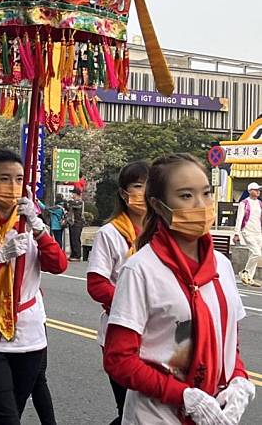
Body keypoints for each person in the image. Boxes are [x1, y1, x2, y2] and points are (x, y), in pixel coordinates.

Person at [104, 153, 256, 424]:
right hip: (156, 416)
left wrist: (238, 382)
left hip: (212, 415)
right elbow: (119, 360)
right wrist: (185, 396)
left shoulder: (221, 266)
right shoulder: (140, 269)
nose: (202, 205)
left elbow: (228, 345)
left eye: (207, 193)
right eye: (186, 196)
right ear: (158, 205)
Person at [0, 150, 68, 425]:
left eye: (19, 179)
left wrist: (39, 228)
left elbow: (59, 265)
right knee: (6, 417)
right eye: (4, 179)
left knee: (7, 413)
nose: (12, 186)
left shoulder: (31, 226)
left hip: (28, 332)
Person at [86, 161, 149, 425]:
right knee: (129, 409)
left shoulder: (162, 231)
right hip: (120, 332)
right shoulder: (110, 234)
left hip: (158, 335)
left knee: (150, 412)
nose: (144, 193)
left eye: (150, 187)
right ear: (124, 193)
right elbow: (97, 284)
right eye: (137, 186)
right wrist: (131, 306)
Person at [234, 182, 262, 287]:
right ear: (250, 191)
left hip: (258, 232)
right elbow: (239, 218)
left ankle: (249, 277)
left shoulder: (260, 203)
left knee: (253, 255)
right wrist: (236, 233)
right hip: (247, 231)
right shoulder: (244, 203)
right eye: (256, 189)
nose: (258, 191)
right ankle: (245, 272)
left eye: (259, 189)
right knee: (257, 253)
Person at [66, 188, 85, 261]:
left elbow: (75, 205)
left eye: (73, 193)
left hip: (77, 223)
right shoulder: (72, 202)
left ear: (76, 194)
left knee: (75, 239)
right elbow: (68, 206)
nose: (72, 195)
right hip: (72, 223)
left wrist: (69, 203)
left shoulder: (80, 202)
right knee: (72, 239)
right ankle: (73, 254)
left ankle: (77, 255)